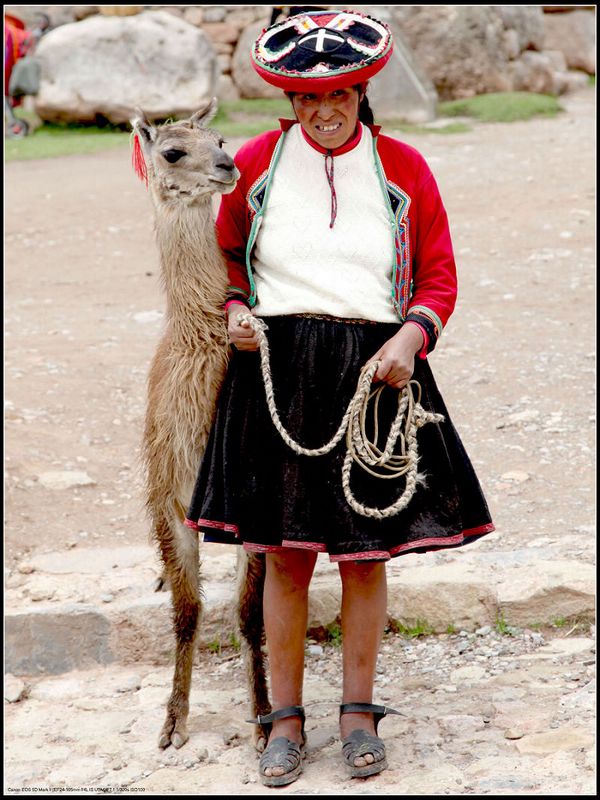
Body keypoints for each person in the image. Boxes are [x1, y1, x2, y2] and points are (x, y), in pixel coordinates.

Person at [185, 8, 494, 787]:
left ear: (362, 92)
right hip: (277, 374)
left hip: (376, 371)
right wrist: (236, 312)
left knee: (364, 557)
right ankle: (282, 722)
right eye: (306, 100)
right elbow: (225, 259)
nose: (324, 112)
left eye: (342, 96)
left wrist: (408, 339)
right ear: (288, 102)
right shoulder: (254, 164)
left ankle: (359, 713)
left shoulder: (404, 170)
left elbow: (439, 278)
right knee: (284, 557)